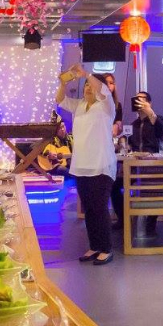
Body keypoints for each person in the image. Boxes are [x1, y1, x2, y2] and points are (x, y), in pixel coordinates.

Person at [57, 64, 117, 266]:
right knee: (89, 210)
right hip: (82, 166)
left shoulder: (106, 106)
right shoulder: (80, 106)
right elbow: (60, 100)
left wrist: (86, 74)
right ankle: (95, 246)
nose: (88, 88)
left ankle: (106, 249)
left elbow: (102, 89)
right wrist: (62, 83)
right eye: (85, 86)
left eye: (91, 85)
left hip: (101, 165)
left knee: (99, 208)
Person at [111, 92, 163, 233]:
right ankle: (123, 219)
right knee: (114, 186)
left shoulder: (158, 119)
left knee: (151, 188)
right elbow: (127, 140)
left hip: (152, 167)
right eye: (136, 99)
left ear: (149, 103)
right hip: (134, 167)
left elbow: (162, 131)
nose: (138, 102)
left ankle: (151, 223)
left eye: (141, 99)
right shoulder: (134, 124)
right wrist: (123, 141)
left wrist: (150, 113)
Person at [103, 73, 123, 138]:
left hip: (110, 137)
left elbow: (119, 124)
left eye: (111, 83)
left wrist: (117, 126)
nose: (108, 85)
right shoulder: (95, 102)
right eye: (105, 82)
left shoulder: (117, 105)